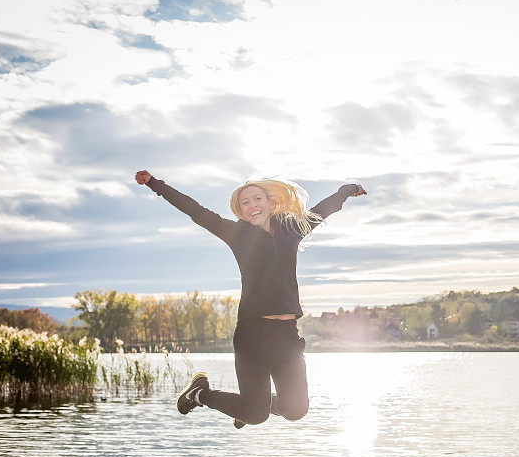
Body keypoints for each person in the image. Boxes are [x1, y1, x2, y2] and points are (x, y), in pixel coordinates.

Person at [134, 170, 366, 428]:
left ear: (270, 203)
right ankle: (200, 394)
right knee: (256, 415)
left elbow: (322, 210)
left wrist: (346, 191)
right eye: (245, 203)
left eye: (257, 199)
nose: (252, 206)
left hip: (287, 335)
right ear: (241, 211)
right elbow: (194, 210)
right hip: (253, 335)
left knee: (296, 409)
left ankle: (245, 407)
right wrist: (155, 184)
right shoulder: (235, 234)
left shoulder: (292, 229)